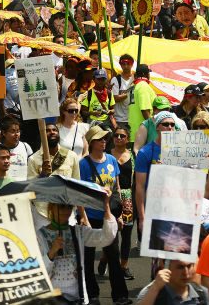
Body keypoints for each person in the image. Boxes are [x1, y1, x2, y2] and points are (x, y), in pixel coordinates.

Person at [35, 195, 118, 304]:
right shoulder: (39, 236)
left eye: (69, 207)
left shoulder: (78, 232)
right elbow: (37, 273)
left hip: (77, 298)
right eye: (61, 206)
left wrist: (106, 207)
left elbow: (106, 237)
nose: (66, 210)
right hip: (50, 299)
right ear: (51, 208)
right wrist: (52, 252)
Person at [78, 126, 128, 305]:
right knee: (88, 257)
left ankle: (120, 296)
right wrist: (82, 216)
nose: (104, 141)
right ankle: (91, 294)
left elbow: (117, 187)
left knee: (113, 256)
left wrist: (120, 213)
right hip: (90, 216)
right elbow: (80, 193)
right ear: (92, 143)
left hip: (109, 216)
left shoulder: (112, 160)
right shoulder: (83, 164)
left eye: (105, 138)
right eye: (100, 139)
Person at [109, 123, 136, 281]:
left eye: (122, 136)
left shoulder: (133, 156)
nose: (118, 138)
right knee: (111, 234)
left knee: (126, 234)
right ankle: (108, 259)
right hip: (110, 197)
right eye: (116, 135)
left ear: (128, 139)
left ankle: (124, 265)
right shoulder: (107, 154)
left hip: (127, 198)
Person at [137, 259, 209, 305]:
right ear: (166, 268)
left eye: (189, 266)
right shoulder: (150, 293)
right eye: (180, 267)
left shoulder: (201, 293)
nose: (186, 273)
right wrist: (155, 289)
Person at [128, 64, 156, 139]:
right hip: (143, 134)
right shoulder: (143, 86)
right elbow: (145, 110)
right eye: (148, 73)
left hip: (134, 131)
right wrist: (153, 130)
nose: (149, 75)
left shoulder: (134, 86)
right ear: (145, 74)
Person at [1, 116, 32, 182]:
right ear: (4, 133)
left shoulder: (26, 147)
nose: (16, 134)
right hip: (5, 187)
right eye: (12, 131)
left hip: (24, 187)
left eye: (18, 131)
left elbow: (32, 168)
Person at [111, 55, 134, 135]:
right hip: (120, 120)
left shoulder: (135, 79)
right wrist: (130, 91)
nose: (126, 66)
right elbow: (115, 98)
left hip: (133, 118)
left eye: (128, 64)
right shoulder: (116, 79)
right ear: (120, 64)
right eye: (123, 64)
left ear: (132, 64)